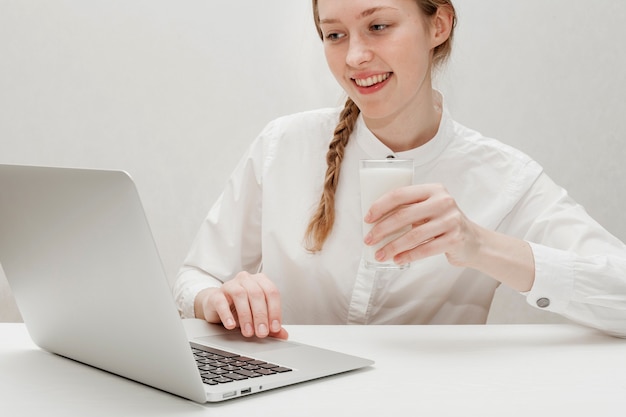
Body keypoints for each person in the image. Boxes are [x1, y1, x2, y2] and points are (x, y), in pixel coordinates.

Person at [174, 0, 626, 339]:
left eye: (378, 26)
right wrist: (216, 299)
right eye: (334, 35)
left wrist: (480, 245)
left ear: (438, 25)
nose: (354, 57)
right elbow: (194, 276)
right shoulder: (283, 146)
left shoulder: (505, 177)